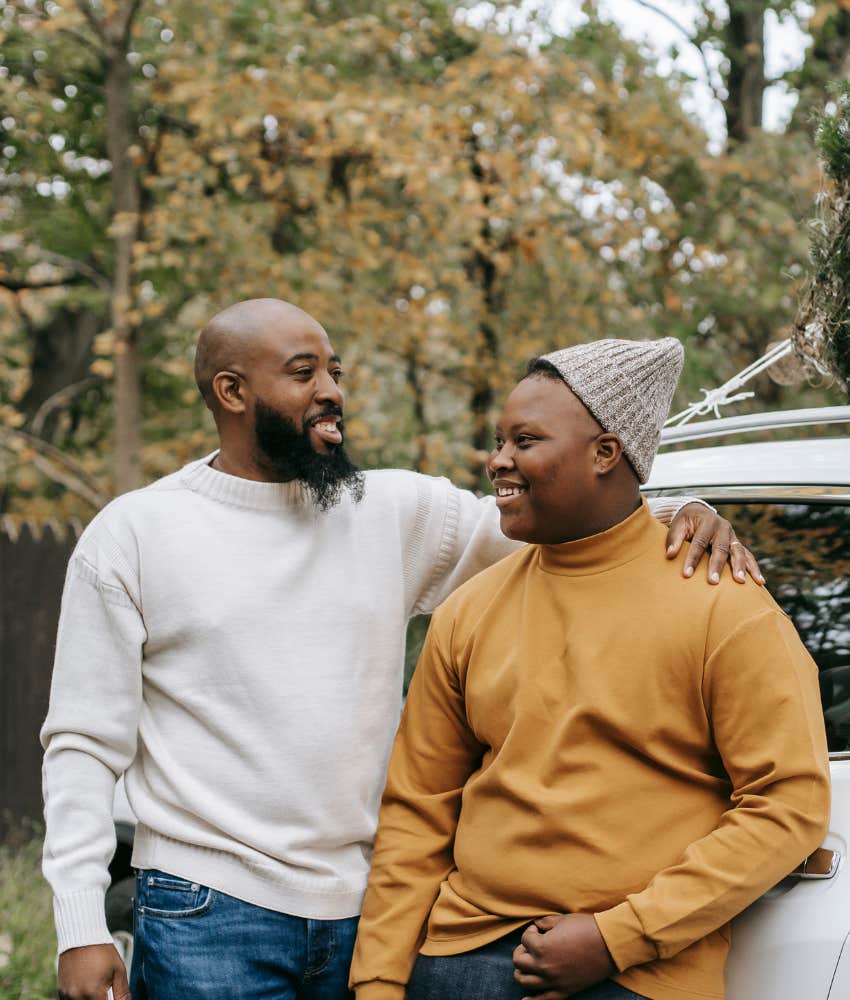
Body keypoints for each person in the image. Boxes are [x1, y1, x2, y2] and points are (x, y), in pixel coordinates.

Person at [42, 302, 760, 1000]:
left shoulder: (389, 511)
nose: (332, 392)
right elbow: (82, 741)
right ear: (231, 392)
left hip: (370, 912)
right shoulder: (136, 533)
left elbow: (563, 518)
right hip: (208, 910)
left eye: (335, 371)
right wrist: (80, 923)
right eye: (303, 373)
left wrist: (680, 512)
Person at [349, 338, 830, 1000]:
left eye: (526, 440)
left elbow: (790, 804)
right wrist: (378, 982)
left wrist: (616, 938)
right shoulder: (468, 612)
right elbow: (417, 812)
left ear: (605, 453)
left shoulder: (725, 607)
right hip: (454, 962)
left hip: (632, 975)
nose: (498, 461)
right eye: (499, 440)